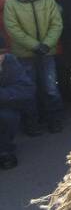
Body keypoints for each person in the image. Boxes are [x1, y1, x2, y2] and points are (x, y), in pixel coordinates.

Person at [3, 0, 63, 134]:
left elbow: (56, 23)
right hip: (23, 53)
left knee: (50, 87)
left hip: (47, 51)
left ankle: (54, 118)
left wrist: (46, 44)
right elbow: (12, 28)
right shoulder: (11, 3)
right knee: (28, 88)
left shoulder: (48, 0)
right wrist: (34, 45)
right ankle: (32, 121)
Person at [0, 35, 35, 170]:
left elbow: (27, 89)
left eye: (1, 54)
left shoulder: (10, 62)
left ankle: (5, 151)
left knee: (8, 117)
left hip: (4, 105)